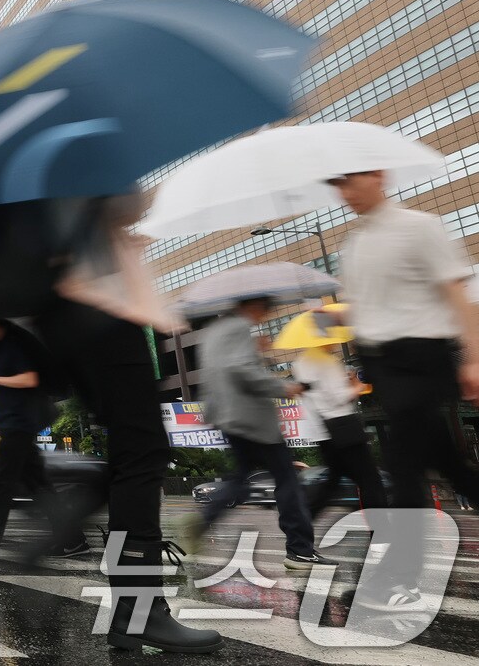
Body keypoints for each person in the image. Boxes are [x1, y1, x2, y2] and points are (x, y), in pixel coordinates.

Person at [20, 192, 223, 653]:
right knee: (143, 454)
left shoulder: (41, 163)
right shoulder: (85, 150)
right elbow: (124, 202)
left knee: (130, 458)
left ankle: (79, 540)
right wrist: (130, 213)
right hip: (102, 315)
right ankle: (139, 609)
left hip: (70, 317)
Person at [326, 170, 479, 610]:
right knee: (450, 466)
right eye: (337, 186)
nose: (344, 194)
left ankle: (393, 578)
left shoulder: (420, 227)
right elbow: (364, 309)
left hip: (425, 356)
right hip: (383, 366)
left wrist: (472, 358)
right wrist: (335, 317)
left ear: (378, 176)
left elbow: (455, 293)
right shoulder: (353, 246)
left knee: (403, 465)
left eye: (349, 182)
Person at [182, 297, 333, 571]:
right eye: (265, 310)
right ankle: (300, 550)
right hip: (252, 418)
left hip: (228, 416)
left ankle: (204, 519)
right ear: (252, 306)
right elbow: (240, 370)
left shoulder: (213, 332)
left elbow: (227, 369)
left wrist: (258, 353)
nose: (264, 316)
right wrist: (284, 388)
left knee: (241, 477)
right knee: (288, 479)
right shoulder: (239, 327)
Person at [0, 318, 90, 560]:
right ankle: (74, 539)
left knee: (4, 487)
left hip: (18, 426)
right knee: (40, 487)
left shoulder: (14, 345)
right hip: (11, 426)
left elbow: (30, 379)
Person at [290, 343, 387, 521]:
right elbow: (337, 397)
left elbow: (316, 395)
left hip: (322, 432)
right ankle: (382, 537)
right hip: (344, 428)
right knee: (371, 482)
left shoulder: (301, 362)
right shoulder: (328, 361)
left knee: (331, 483)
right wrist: (356, 386)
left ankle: (300, 524)